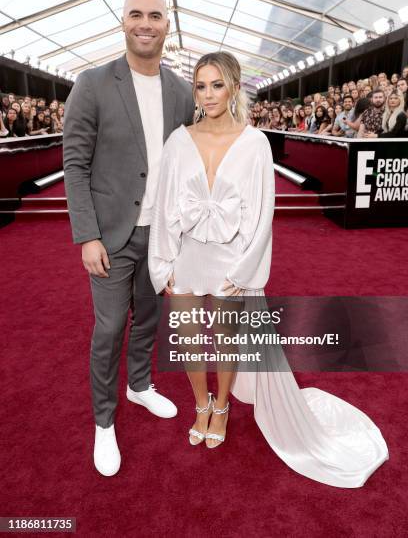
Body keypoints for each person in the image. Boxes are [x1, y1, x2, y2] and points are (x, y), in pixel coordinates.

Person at [148, 51, 389, 488]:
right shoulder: (178, 139)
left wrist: (243, 272)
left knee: (224, 342)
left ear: (235, 87)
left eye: (216, 84)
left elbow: (263, 216)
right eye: (200, 86)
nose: (207, 94)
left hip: (230, 262)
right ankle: (200, 404)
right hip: (184, 256)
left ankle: (220, 408)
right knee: (186, 339)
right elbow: (163, 206)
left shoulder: (255, 143)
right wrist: (160, 263)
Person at [63, 0, 195, 477]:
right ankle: (103, 421)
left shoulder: (182, 91)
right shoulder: (92, 83)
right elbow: (74, 163)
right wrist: (87, 235)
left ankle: (140, 385)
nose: (146, 23)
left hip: (162, 236)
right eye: (136, 14)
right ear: (122, 22)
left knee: (150, 320)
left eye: (155, 15)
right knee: (112, 326)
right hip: (110, 236)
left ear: (167, 25)